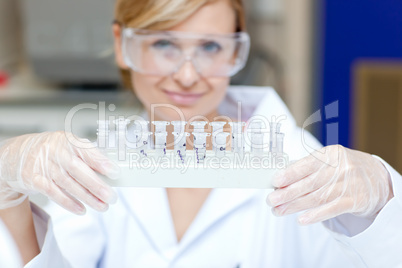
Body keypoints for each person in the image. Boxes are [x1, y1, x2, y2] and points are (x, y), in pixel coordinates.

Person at [0, 0, 402, 267]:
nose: (188, 75)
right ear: (122, 45)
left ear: (235, 51)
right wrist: (8, 193)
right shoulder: (104, 159)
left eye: (210, 47)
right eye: (163, 43)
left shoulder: (297, 157)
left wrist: (382, 202)